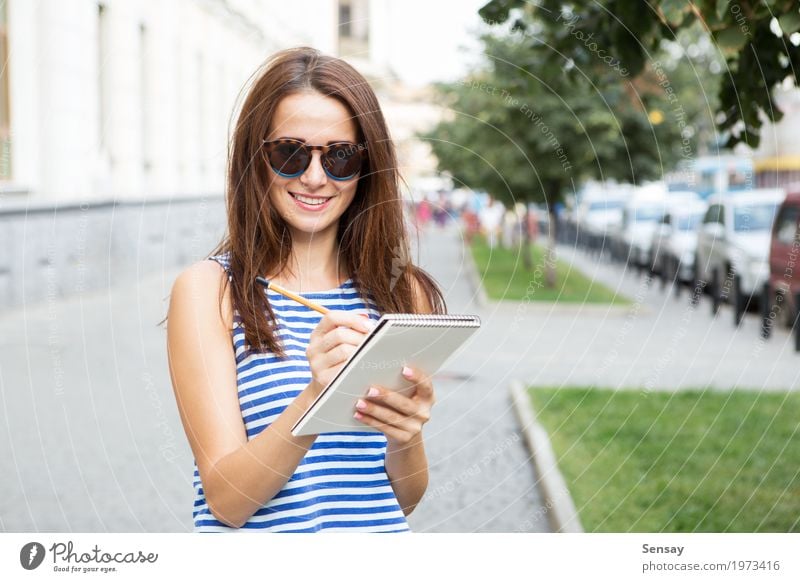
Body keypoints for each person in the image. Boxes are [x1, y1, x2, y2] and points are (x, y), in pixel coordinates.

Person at [165, 47, 447, 532]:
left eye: (340, 156)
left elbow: (402, 500)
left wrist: (406, 436)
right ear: (256, 159)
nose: (315, 178)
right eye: (290, 153)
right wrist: (319, 394)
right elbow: (228, 502)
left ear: (367, 166)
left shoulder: (404, 294)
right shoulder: (210, 291)